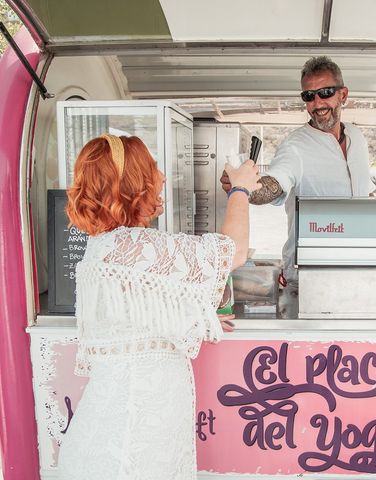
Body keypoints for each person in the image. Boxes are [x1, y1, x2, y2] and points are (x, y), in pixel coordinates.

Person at [57, 134, 260, 480]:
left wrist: (196, 316)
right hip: (131, 447)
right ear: (133, 182)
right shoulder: (134, 245)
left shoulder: (104, 248)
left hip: (118, 436)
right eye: (152, 168)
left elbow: (137, 321)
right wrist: (240, 190)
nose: (162, 178)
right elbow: (234, 251)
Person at [220, 56, 375, 287]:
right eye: (309, 96)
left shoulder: (357, 136)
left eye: (326, 93)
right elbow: (273, 185)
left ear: (343, 95)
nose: (317, 103)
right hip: (310, 274)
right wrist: (244, 187)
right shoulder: (295, 146)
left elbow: (367, 194)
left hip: (357, 267)